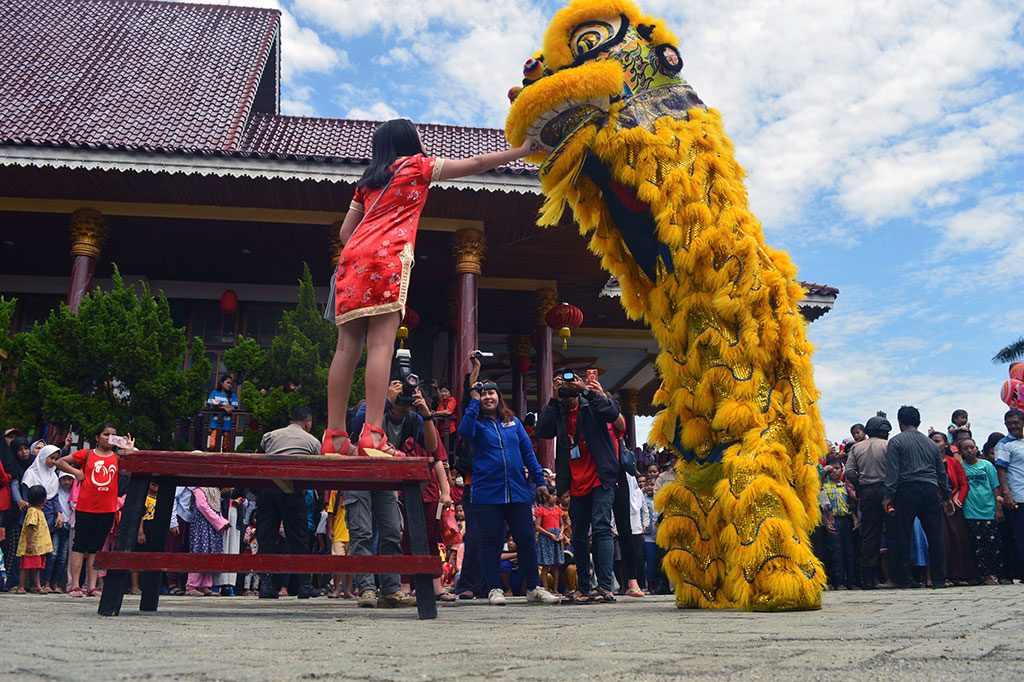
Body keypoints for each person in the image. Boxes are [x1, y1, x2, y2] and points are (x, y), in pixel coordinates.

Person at [322, 119, 540, 457]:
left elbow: (344, 233)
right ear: (408, 140)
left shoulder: (367, 181)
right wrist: (522, 151)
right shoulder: (416, 166)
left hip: (352, 261)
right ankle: (373, 434)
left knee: (345, 349)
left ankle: (335, 436)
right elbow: (476, 163)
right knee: (380, 345)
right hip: (386, 258)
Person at [459, 352, 559, 606]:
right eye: (483, 394)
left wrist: (540, 482)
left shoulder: (513, 422)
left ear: (499, 397)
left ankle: (534, 588)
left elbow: (528, 453)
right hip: (487, 494)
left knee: (526, 540)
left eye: (492, 393)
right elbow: (464, 432)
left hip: (517, 492)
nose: (488, 397)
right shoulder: (476, 423)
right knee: (490, 542)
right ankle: (494, 589)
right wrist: (473, 400)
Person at [535, 368, 622, 604]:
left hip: (600, 477)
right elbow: (542, 430)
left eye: (570, 383)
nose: (567, 389)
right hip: (575, 481)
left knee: (601, 528)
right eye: (562, 384)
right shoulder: (559, 411)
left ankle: (605, 586)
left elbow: (613, 412)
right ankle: (584, 587)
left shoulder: (590, 403)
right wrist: (554, 399)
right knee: (580, 536)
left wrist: (586, 391)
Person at [345, 383, 434, 608]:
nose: (404, 395)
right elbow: (356, 425)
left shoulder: (412, 419)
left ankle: (391, 590)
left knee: (393, 532)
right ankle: (366, 589)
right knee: (361, 532)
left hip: (386, 478)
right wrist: (386, 401)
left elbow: (432, 446)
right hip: (358, 475)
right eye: (399, 389)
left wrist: (426, 415)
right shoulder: (370, 408)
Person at [54, 423, 134, 597]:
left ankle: (91, 586)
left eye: (113, 435)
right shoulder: (87, 454)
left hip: (107, 509)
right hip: (85, 507)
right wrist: (76, 472)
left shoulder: (118, 458)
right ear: (97, 437)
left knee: (96, 547)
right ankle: (75, 585)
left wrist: (129, 449)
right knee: (79, 545)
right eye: (105, 434)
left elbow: (134, 468)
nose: (109, 438)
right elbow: (60, 462)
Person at [881, 406, 954, 589]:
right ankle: (939, 579)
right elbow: (941, 472)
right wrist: (946, 496)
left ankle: (902, 579)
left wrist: (889, 495)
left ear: (899, 422)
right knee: (935, 535)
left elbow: (893, 471)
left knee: (901, 535)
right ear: (919, 422)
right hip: (931, 490)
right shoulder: (932, 445)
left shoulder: (896, 441)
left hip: (907, 489)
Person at [255, 405, 322, 600]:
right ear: (307, 424)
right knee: (298, 537)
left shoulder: (270, 436)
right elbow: (317, 469)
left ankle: (266, 585)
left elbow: (258, 459)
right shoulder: (312, 441)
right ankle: (304, 585)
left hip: (268, 488)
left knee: (266, 537)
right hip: (292, 489)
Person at [845, 415, 890, 589]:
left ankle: (868, 580)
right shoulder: (888, 445)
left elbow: (849, 472)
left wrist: (861, 484)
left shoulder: (856, 448)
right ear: (883, 431)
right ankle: (900, 575)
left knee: (869, 535)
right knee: (894, 532)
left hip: (867, 492)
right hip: (888, 491)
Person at [930, 431, 976, 585]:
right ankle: (944, 576)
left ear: (946, 444)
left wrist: (957, 500)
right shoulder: (927, 463)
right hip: (936, 506)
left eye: (937, 441)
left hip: (954, 507)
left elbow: (963, 484)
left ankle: (959, 575)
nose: (935, 444)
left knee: (957, 539)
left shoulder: (954, 462)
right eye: (932, 441)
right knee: (942, 540)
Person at [959, 438, 1003, 584]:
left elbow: (995, 487)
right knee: (978, 547)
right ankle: (985, 575)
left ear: (977, 448)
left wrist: (999, 509)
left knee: (994, 544)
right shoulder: (961, 468)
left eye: (972, 447)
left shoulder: (987, 465)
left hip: (989, 511)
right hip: (971, 512)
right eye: (965, 448)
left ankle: (999, 574)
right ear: (961, 452)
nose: (969, 450)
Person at [185, 484, 229, 596]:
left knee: (210, 553)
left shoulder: (215, 491)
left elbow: (217, 509)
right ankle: (191, 585)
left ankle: (205, 585)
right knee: (199, 552)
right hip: (201, 526)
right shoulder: (199, 490)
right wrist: (218, 521)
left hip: (212, 526)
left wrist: (223, 521)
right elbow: (202, 506)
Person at [995, 408, 1024, 567]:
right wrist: (1007, 494)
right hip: (1018, 497)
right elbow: (1001, 470)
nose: (1013, 426)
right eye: (1010, 423)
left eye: (1016, 423)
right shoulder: (1004, 445)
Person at [822, 457, 856, 590]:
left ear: (842, 469)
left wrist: (855, 519)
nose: (835, 472)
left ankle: (851, 582)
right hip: (833, 521)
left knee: (850, 551)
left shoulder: (845, 487)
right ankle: (839, 582)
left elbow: (850, 505)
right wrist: (826, 523)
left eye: (837, 468)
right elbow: (823, 508)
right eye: (831, 470)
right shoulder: (824, 488)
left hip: (846, 520)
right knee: (837, 552)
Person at [15, 485, 53, 593]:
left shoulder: (39, 511)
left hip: (38, 547)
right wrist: (29, 543)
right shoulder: (33, 512)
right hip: (33, 545)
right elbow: (30, 527)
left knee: (36, 566)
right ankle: (21, 586)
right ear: (44, 499)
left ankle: (37, 585)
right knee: (25, 566)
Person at [534, 489, 564, 594]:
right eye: (553, 495)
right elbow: (537, 527)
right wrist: (549, 534)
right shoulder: (541, 510)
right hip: (546, 539)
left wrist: (561, 534)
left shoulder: (558, 510)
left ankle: (555, 589)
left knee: (556, 564)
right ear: (545, 496)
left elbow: (562, 524)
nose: (555, 497)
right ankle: (546, 589)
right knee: (546, 565)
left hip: (556, 538)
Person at [206, 374, 239, 452]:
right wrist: (224, 407)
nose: (229, 385)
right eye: (227, 383)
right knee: (212, 445)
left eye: (231, 384)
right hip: (215, 423)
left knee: (226, 446)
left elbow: (234, 407)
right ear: (221, 383)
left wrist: (220, 405)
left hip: (227, 424)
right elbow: (210, 405)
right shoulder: (214, 393)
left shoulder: (232, 395)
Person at [432, 383, 458, 452]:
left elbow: (449, 411)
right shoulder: (442, 402)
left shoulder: (452, 400)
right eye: (442, 392)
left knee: (448, 450)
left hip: (450, 430)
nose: (444, 393)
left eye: (446, 391)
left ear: (449, 392)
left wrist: (436, 413)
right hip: (442, 430)